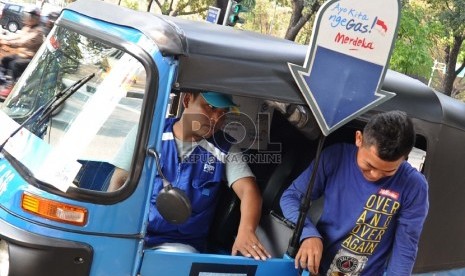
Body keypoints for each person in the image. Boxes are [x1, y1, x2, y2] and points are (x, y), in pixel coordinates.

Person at [108, 91, 271, 260]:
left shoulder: (225, 148)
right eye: (210, 107)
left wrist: (246, 231)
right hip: (132, 233)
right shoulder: (148, 133)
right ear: (187, 100)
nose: (216, 119)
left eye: (223, 114)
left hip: (180, 244)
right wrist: (112, 226)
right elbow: (119, 181)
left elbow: (249, 191)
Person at [280, 110, 429, 275]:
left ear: (404, 158)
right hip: (317, 269)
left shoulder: (414, 185)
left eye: (388, 172)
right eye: (369, 165)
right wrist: (308, 234)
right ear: (359, 138)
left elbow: (405, 248)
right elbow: (291, 197)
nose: (375, 175)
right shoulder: (335, 157)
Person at [0, 7, 44, 96]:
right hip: (22, 55)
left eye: (29, 16)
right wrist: (3, 38)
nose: (27, 18)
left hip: (30, 58)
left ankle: (12, 87)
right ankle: (3, 81)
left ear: (35, 18)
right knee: (5, 59)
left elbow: (23, 42)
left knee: (14, 64)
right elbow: (16, 36)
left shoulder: (38, 31)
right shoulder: (27, 27)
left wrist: (8, 43)